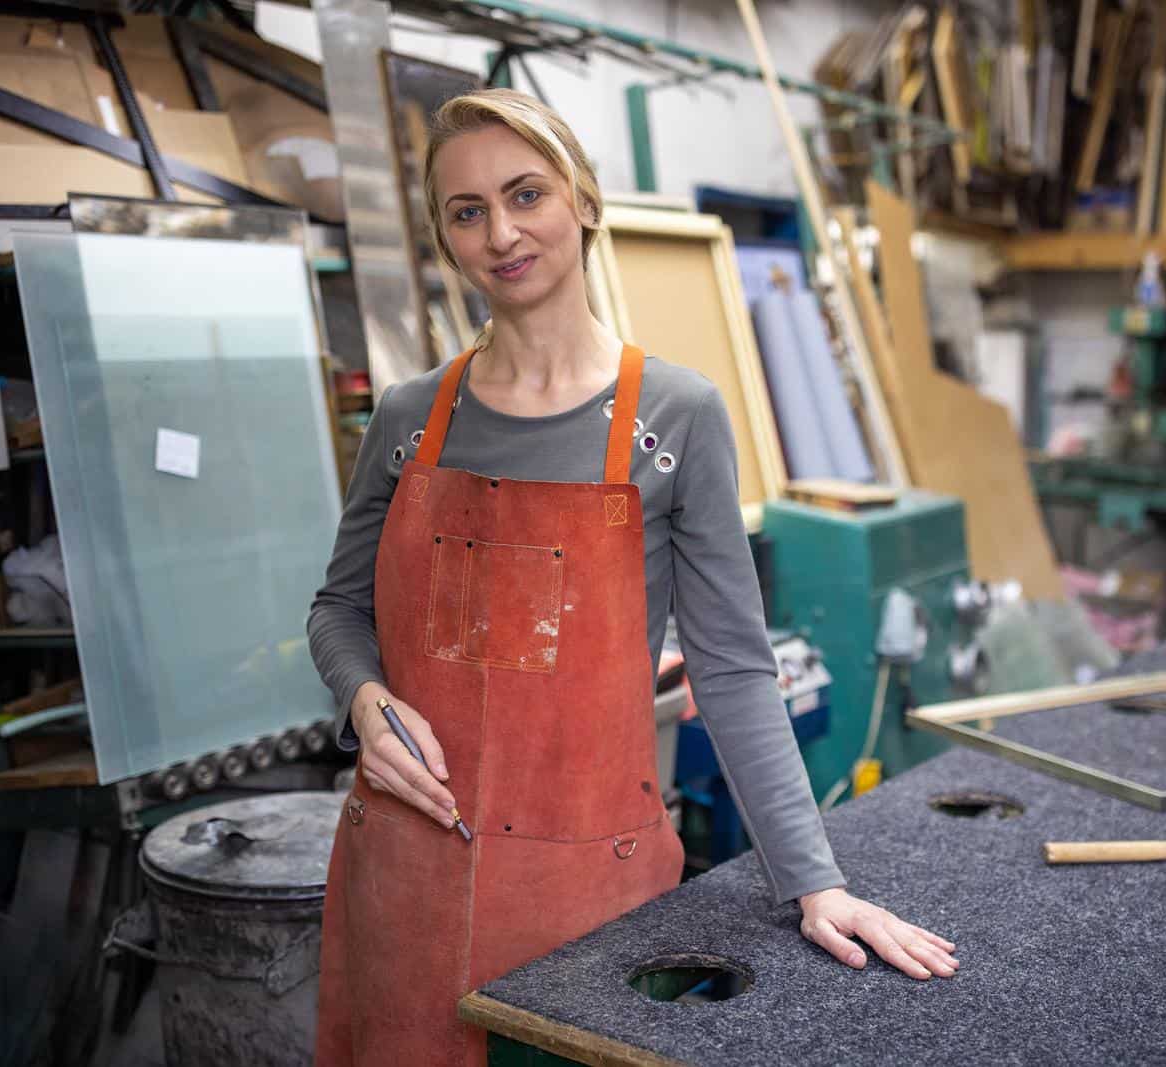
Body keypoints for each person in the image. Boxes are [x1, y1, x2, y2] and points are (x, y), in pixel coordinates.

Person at [307, 88, 957, 1066]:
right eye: (467, 211)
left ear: (585, 202)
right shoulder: (409, 417)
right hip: (405, 878)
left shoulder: (676, 416)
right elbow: (337, 609)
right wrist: (361, 697)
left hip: (587, 899)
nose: (502, 232)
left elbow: (733, 667)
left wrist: (814, 880)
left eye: (526, 193)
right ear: (445, 236)